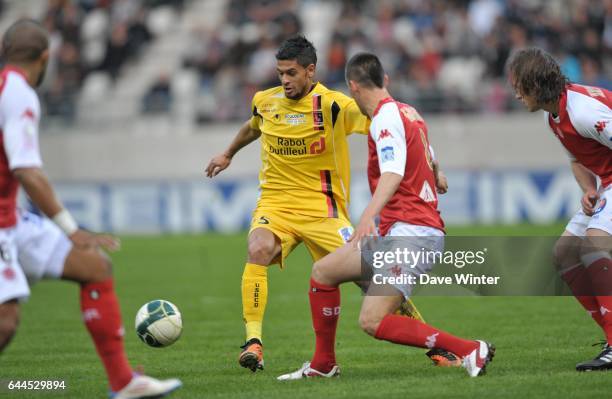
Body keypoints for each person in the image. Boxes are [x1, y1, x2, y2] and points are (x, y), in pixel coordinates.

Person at [205, 35, 454, 372]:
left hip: (325, 211)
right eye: (280, 73)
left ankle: (438, 348)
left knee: (373, 280)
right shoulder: (265, 101)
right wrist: (227, 153)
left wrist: (434, 168)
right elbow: (253, 128)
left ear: (311, 70)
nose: (285, 80)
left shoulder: (336, 105)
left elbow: (399, 129)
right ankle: (253, 342)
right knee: (258, 247)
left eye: (291, 73)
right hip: (275, 206)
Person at [278, 52, 494, 380]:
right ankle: (324, 365)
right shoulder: (409, 112)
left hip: (412, 234)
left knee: (371, 321)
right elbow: (426, 151)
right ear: (385, 80)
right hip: (402, 231)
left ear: (353, 87)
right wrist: (438, 172)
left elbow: (392, 172)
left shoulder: (382, 119)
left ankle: (468, 349)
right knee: (323, 272)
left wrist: (367, 217)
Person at [0, 19, 182, 398]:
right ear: (45, 57)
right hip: (3, 224)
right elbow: (27, 171)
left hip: (13, 219)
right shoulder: (18, 93)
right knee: (6, 321)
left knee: (94, 266)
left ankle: (124, 382)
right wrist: (71, 228)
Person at [508, 48, 612, 371]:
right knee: (564, 253)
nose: (515, 93)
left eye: (519, 86)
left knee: (594, 243)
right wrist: (590, 189)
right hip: (606, 184)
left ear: (536, 86)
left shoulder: (582, 111)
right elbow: (578, 159)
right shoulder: (553, 115)